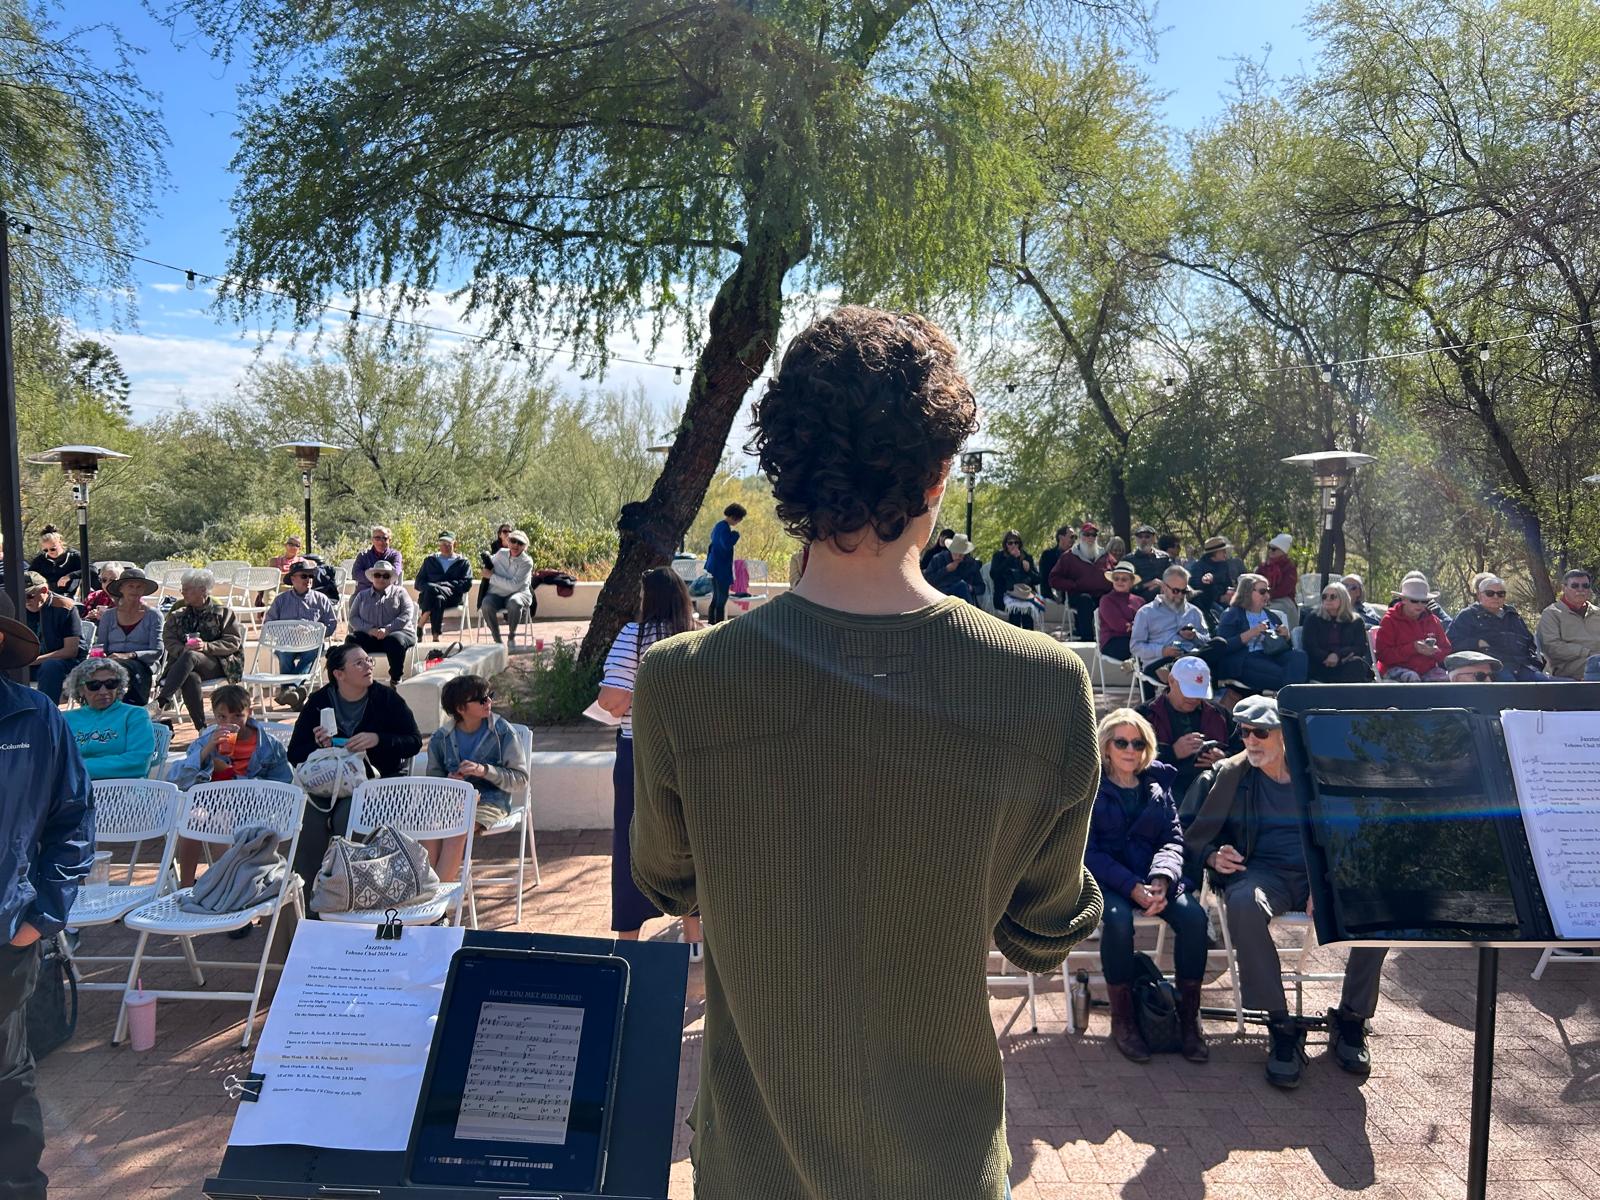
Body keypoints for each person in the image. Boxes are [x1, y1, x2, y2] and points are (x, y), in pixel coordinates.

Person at [630, 306, 1101, 1200]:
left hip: (750, 1163)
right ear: (939, 475)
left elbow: (670, 878)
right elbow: (1046, 931)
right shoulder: (1043, 685)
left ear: (786, 472)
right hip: (946, 1166)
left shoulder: (682, 681)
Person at [1184, 696, 1387, 1087]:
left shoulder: (1323, 775)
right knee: (1242, 902)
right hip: (1262, 873)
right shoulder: (1229, 776)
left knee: (1376, 907)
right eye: (1244, 732)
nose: (1251, 741)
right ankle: (1280, 1023)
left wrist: (1326, 881)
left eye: (1261, 732)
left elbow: (1359, 832)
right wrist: (1211, 855)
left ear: (1286, 735)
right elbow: (1185, 831)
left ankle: (1351, 1018)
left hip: (1319, 873)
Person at [0, 610, 93, 1200]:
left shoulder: (34, 718)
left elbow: (73, 818)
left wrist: (42, 917)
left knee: (6, 1077)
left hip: (8, 930)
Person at [1089, 708, 1210, 1065]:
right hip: (1109, 881)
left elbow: (1173, 840)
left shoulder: (1158, 785)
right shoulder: (1091, 787)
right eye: (1121, 742)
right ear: (1106, 746)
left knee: (1195, 920)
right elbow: (1087, 852)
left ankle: (1188, 1020)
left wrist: (1161, 879)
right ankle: (1123, 1020)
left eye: (1138, 742)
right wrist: (1131, 888)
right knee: (1118, 921)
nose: (1130, 749)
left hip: (1156, 879)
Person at [597, 567, 702, 955]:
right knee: (689, 844)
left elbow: (612, 700)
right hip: (691, 755)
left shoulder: (635, 637)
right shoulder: (701, 634)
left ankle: (629, 942)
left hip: (640, 751)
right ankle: (695, 940)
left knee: (632, 843)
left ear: (649, 597)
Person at [287, 645, 423, 904]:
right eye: (359, 663)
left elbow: (413, 741)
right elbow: (295, 752)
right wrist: (319, 745)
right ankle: (305, 908)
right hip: (327, 785)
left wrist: (377, 739)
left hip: (377, 782)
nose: (369, 666)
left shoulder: (386, 699)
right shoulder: (319, 702)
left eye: (368, 659)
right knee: (306, 822)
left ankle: (350, 899)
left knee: (348, 817)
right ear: (339, 674)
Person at [425, 674, 529, 882]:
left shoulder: (502, 732)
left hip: (491, 801)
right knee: (429, 828)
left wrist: (485, 771)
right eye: (481, 699)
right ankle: (430, 896)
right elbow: (433, 785)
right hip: (451, 802)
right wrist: (450, 781)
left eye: (489, 696)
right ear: (461, 709)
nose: (489, 702)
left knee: (456, 830)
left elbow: (521, 779)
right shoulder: (440, 738)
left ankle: (437, 903)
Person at [154, 569, 244, 728]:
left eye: (187, 588)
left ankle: (161, 702)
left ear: (202, 590)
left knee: (191, 656)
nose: (183, 592)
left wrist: (206, 646)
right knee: (191, 677)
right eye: (183, 588)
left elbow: (233, 641)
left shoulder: (223, 613)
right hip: (186, 667)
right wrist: (181, 650)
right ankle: (201, 727)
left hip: (218, 664)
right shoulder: (178, 615)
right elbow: (168, 639)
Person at [1138, 656, 1236, 801]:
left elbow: (1244, 748)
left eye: (1199, 693)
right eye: (1189, 691)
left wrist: (1225, 758)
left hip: (1215, 791)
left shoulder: (1219, 713)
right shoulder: (1144, 715)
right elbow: (1129, 758)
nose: (1194, 699)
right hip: (1163, 790)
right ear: (1171, 681)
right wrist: (1172, 753)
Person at [62, 658, 157, 779]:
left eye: (111, 684)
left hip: (122, 791)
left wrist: (75, 768)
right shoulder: (66, 719)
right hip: (74, 790)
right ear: (80, 690)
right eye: (94, 685)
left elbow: (138, 763)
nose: (103, 691)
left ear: (119, 687)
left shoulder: (135, 715)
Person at [1214, 573, 1309, 692]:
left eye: (1268, 591)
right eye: (1262, 591)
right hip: (1245, 658)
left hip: (1271, 655)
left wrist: (1286, 637)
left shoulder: (1272, 616)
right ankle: (1294, 696)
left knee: (1299, 656)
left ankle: (1291, 694)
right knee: (1283, 674)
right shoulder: (1232, 615)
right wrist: (1252, 633)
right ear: (1247, 592)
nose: (1267, 595)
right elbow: (1223, 646)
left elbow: (1286, 648)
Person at [263, 561, 338, 707]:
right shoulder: (281, 600)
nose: (309, 579)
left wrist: (315, 631)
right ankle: (295, 693)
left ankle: (288, 689)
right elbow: (268, 625)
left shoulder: (321, 599)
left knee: (315, 650)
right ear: (293, 579)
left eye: (311, 576)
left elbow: (331, 624)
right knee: (283, 653)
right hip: (286, 642)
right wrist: (289, 631)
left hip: (312, 642)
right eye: (304, 576)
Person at [1446, 574, 1547, 681]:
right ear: (1480, 596)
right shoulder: (1467, 616)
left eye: (1500, 594)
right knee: (1510, 689)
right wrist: (1476, 643)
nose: (1496, 597)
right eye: (1490, 593)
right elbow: (1451, 644)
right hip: (1491, 669)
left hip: (1523, 667)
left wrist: (1535, 664)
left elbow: (1529, 643)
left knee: (1557, 686)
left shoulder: (1513, 616)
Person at [1129, 564, 1211, 679]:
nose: (1180, 596)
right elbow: (1136, 647)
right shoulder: (1146, 612)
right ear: (1164, 587)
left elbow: (1207, 641)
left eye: (1184, 591)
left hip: (1191, 657)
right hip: (1160, 662)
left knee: (1220, 644)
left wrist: (1194, 636)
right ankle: (1173, 669)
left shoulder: (1194, 611)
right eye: (1176, 591)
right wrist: (1162, 651)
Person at [97, 567, 164, 707]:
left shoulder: (153, 615)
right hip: (110, 661)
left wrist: (130, 655)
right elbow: (101, 646)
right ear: (121, 588)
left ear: (144, 590)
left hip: (143, 664)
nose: (134, 590)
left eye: (139, 587)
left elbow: (157, 651)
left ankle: (130, 709)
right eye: (130, 586)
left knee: (120, 668)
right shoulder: (108, 616)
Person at [345, 563, 418, 687]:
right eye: (378, 575)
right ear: (372, 577)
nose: (381, 579)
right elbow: (353, 618)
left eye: (385, 576)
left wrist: (388, 629)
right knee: (352, 640)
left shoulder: (400, 592)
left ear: (390, 578)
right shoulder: (362, 595)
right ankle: (358, 677)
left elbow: (407, 614)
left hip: (399, 633)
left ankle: (395, 679)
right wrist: (370, 630)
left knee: (394, 640)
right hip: (371, 636)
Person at [1376, 575, 1452, 682]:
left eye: (1424, 601)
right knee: (1412, 678)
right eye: (1414, 600)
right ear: (1403, 599)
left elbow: (1446, 650)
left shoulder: (1433, 620)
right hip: (1393, 669)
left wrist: (1434, 652)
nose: (1420, 604)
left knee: (1447, 679)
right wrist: (1413, 648)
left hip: (1427, 669)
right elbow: (1383, 655)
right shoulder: (1389, 621)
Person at [21, 572, 83, 704]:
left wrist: (33, 660)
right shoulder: (17, 607)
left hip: (62, 662)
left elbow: (70, 651)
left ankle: (46, 711)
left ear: (44, 590)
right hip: (30, 661)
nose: (25, 601)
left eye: (29, 596)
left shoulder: (65, 607)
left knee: (50, 666)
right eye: (21, 596)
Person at [1049, 520, 1116, 641]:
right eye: (1087, 534)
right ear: (1080, 537)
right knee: (1085, 600)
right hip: (1080, 595)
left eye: (1093, 535)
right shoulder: (1069, 556)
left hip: (1102, 595)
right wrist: (1073, 585)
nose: (1090, 538)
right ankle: (1088, 640)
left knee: (1112, 599)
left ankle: (1112, 639)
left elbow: (1116, 573)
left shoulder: (1105, 555)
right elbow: (1053, 579)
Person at [1301, 581, 1375, 683]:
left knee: (1356, 664)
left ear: (1343, 599)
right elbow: (1309, 646)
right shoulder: (1313, 618)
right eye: (1324, 596)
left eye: (1332, 597)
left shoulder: (1356, 621)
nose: (1327, 600)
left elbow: (1360, 647)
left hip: (1345, 663)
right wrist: (1327, 657)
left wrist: (1338, 655)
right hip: (1321, 664)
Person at [1536, 568, 1600, 681]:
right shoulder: (1552, 614)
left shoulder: (1597, 613)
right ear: (1564, 588)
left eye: (1585, 586)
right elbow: (1552, 647)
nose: (1581, 590)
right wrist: (1587, 653)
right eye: (1575, 586)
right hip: (1569, 669)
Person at [479, 529, 534, 648]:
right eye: (513, 541)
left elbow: (513, 585)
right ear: (508, 542)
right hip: (497, 594)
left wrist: (491, 577)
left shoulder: (527, 562)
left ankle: (511, 636)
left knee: (514, 602)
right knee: (486, 604)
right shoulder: (500, 554)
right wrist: (485, 567)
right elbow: (489, 564)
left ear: (525, 547)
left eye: (520, 543)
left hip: (519, 593)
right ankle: (497, 640)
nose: (516, 545)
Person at [413, 531, 473, 640]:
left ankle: (420, 624)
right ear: (439, 544)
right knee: (437, 597)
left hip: (452, 598)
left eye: (448, 543)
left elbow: (466, 584)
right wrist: (432, 587)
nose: (445, 546)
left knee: (434, 592)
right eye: (442, 543)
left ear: (454, 544)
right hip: (430, 596)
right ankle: (436, 637)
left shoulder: (463, 562)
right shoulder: (430, 560)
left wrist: (444, 585)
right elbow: (418, 583)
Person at [1188, 536, 1246, 626]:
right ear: (1215, 552)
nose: (1225, 553)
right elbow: (1196, 591)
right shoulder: (1198, 567)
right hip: (1207, 605)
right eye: (1223, 551)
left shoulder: (1223, 565)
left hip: (1225, 601)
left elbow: (1227, 583)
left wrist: (1230, 592)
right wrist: (1219, 597)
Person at [704, 503, 746, 624]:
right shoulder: (725, 529)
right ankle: (718, 626)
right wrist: (735, 535)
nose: (738, 522)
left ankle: (711, 624)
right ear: (734, 516)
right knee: (721, 600)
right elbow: (726, 545)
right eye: (739, 519)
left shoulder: (718, 526)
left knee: (716, 598)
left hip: (714, 567)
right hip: (721, 569)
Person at [1097, 562, 1144, 662]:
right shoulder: (1106, 600)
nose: (1119, 581)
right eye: (1116, 578)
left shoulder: (1140, 601)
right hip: (1113, 641)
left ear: (1131, 582)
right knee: (1144, 650)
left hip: (1136, 640)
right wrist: (1139, 628)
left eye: (1124, 579)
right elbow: (1119, 626)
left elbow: (1147, 622)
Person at [987, 531, 1038, 618]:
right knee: (1016, 610)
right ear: (1005, 544)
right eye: (1010, 543)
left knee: (1026, 609)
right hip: (1004, 594)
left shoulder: (1026, 557)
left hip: (1024, 594)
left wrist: (1029, 570)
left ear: (1019, 544)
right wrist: (1010, 558)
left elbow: (1038, 580)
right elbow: (994, 575)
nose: (1013, 545)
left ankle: (1027, 631)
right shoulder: (999, 556)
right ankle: (1014, 631)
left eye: (1016, 542)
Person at [922, 532, 985, 603]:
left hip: (963, 600)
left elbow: (981, 587)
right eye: (955, 553)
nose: (958, 556)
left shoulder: (971, 564)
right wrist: (946, 570)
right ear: (951, 550)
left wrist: (972, 588)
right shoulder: (938, 559)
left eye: (961, 554)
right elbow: (928, 580)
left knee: (962, 585)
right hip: (941, 597)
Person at [1258, 533, 1299, 629]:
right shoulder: (1264, 567)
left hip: (1283, 600)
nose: (1271, 551)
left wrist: (1268, 596)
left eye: (1274, 549)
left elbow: (1285, 589)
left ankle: (1287, 635)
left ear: (1283, 551)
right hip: (1263, 597)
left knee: (1278, 610)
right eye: (1270, 548)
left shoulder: (1289, 568)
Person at [27, 525, 81, 597]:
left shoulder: (73, 556)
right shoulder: (40, 559)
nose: (49, 552)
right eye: (46, 550)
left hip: (68, 596)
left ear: (60, 542)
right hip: (46, 596)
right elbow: (30, 574)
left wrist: (69, 576)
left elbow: (92, 569)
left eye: (53, 549)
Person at [351, 525, 402, 597]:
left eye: (384, 538)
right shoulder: (363, 556)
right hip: (364, 594)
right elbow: (356, 574)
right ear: (372, 540)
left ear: (389, 540)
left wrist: (372, 575)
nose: (381, 542)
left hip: (388, 595)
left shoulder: (395, 556)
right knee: (353, 601)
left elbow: (395, 573)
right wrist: (380, 578)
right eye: (377, 538)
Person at [1126, 524, 1170, 599]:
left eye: (1147, 536)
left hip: (1165, 597)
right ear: (1136, 539)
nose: (1143, 539)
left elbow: (1172, 577)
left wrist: (1162, 585)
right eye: (1140, 537)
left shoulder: (1164, 557)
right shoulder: (1128, 560)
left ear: (1154, 538)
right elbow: (1125, 586)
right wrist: (1148, 584)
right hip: (1139, 601)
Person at [477, 522, 514, 610]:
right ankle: (481, 603)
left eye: (510, 531)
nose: (508, 533)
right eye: (505, 531)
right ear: (499, 534)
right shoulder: (495, 547)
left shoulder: (516, 545)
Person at [1036, 525, 1074, 602]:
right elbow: (1044, 580)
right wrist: (1051, 599)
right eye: (1071, 537)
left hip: (1072, 600)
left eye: (1075, 537)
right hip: (1051, 601)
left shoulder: (1075, 557)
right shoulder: (1048, 555)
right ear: (1060, 537)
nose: (1074, 540)